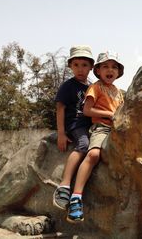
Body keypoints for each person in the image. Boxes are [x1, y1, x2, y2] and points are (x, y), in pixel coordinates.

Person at [66, 51, 124, 223]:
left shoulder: (119, 92)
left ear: (119, 72)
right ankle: (76, 197)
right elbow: (87, 110)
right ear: (97, 70)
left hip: (117, 130)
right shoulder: (95, 87)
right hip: (101, 128)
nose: (110, 70)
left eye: (114, 67)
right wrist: (110, 113)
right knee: (93, 154)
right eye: (105, 66)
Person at [53, 45, 94, 212]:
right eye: (76, 65)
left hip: (90, 124)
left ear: (91, 67)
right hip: (75, 124)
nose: (80, 69)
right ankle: (64, 184)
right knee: (83, 145)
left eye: (84, 65)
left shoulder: (91, 86)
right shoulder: (68, 86)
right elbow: (60, 108)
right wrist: (62, 133)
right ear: (70, 66)